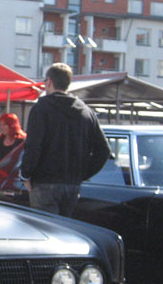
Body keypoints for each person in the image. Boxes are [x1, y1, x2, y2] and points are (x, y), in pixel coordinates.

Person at [20, 63, 110, 217]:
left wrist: (25, 174)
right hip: (72, 184)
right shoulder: (86, 112)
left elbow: (33, 147)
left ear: (49, 81)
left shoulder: (41, 109)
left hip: (44, 182)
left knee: (44, 227)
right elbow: (103, 150)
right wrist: (82, 174)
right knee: (62, 228)